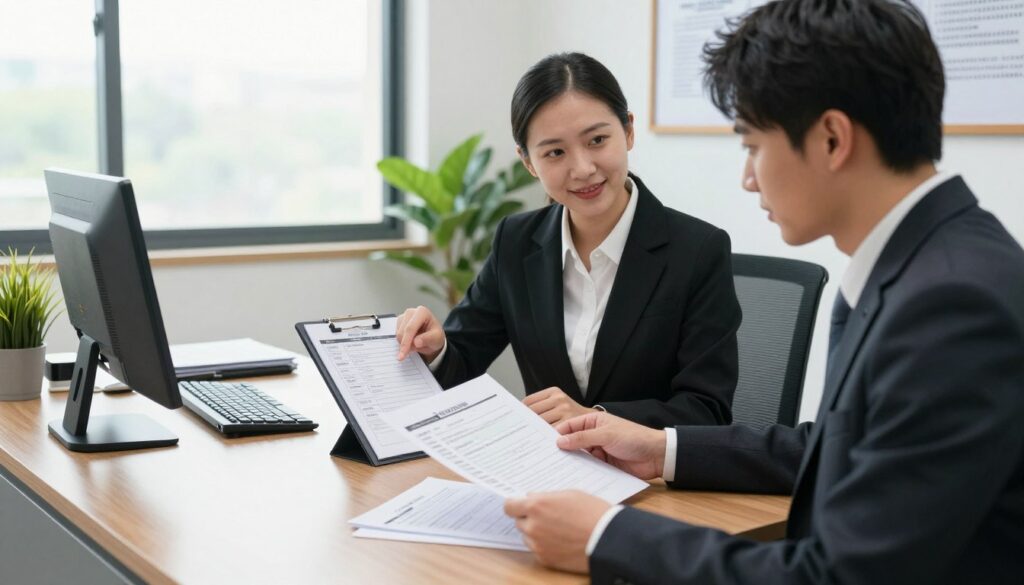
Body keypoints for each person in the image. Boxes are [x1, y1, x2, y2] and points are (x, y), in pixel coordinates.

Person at [504, 1, 1024, 583]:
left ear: (832, 138)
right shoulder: (926, 262)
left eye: (752, 144)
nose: (747, 177)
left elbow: (838, 577)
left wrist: (604, 536)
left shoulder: (952, 303)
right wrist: (660, 448)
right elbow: (831, 445)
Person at [395, 53, 742, 429]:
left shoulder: (698, 250)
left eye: (597, 140)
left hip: (652, 481)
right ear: (528, 162)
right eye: (555, 152)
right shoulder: (516, 241)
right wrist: (435, 347)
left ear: (627, 131)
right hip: (551, 474)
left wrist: (595, 420)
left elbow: (707, 410)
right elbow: (462, 358)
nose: (582, 168)